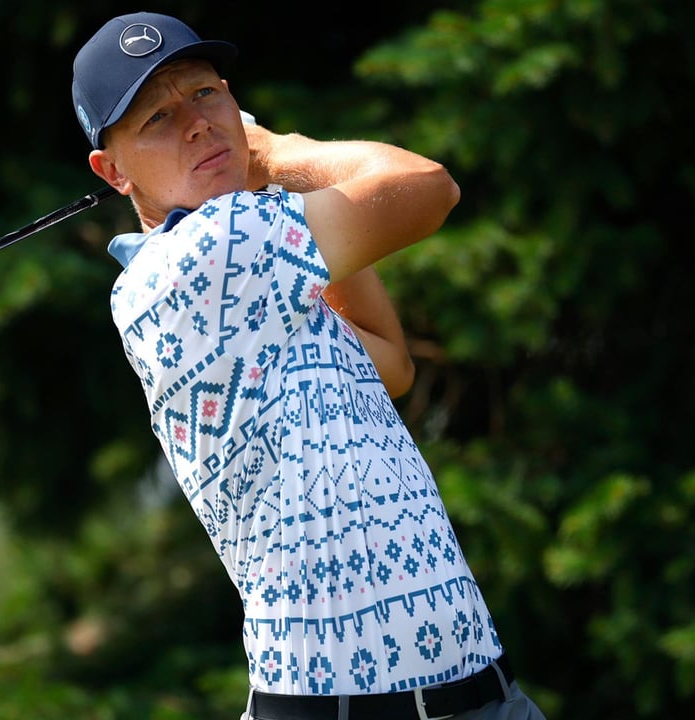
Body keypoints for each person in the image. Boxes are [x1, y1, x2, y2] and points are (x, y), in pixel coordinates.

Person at [71, 11, 546, 720]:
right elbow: (425, 187)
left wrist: (269, 182)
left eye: (205, 95)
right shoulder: (207, 256)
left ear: (231, 96)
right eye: (158, 119)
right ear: (113, 172)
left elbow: (388, 363)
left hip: (483, 694)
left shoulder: (261, 271)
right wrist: (279, 151)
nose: (197, 123)